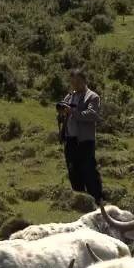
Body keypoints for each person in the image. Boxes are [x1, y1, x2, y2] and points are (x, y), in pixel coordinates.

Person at [56, 68, 103, 204]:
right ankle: (80, 201)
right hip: (70, 140)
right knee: (73, 171)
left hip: (85, 141)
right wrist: (62, 114)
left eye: (77, 81)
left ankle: (97, 201)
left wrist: (73, 112)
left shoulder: (92, 97)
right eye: (72, 82)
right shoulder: (69, 96)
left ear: (84, 80)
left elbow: (92, 115)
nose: (74, 85)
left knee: (89, 171)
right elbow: (64, 114)